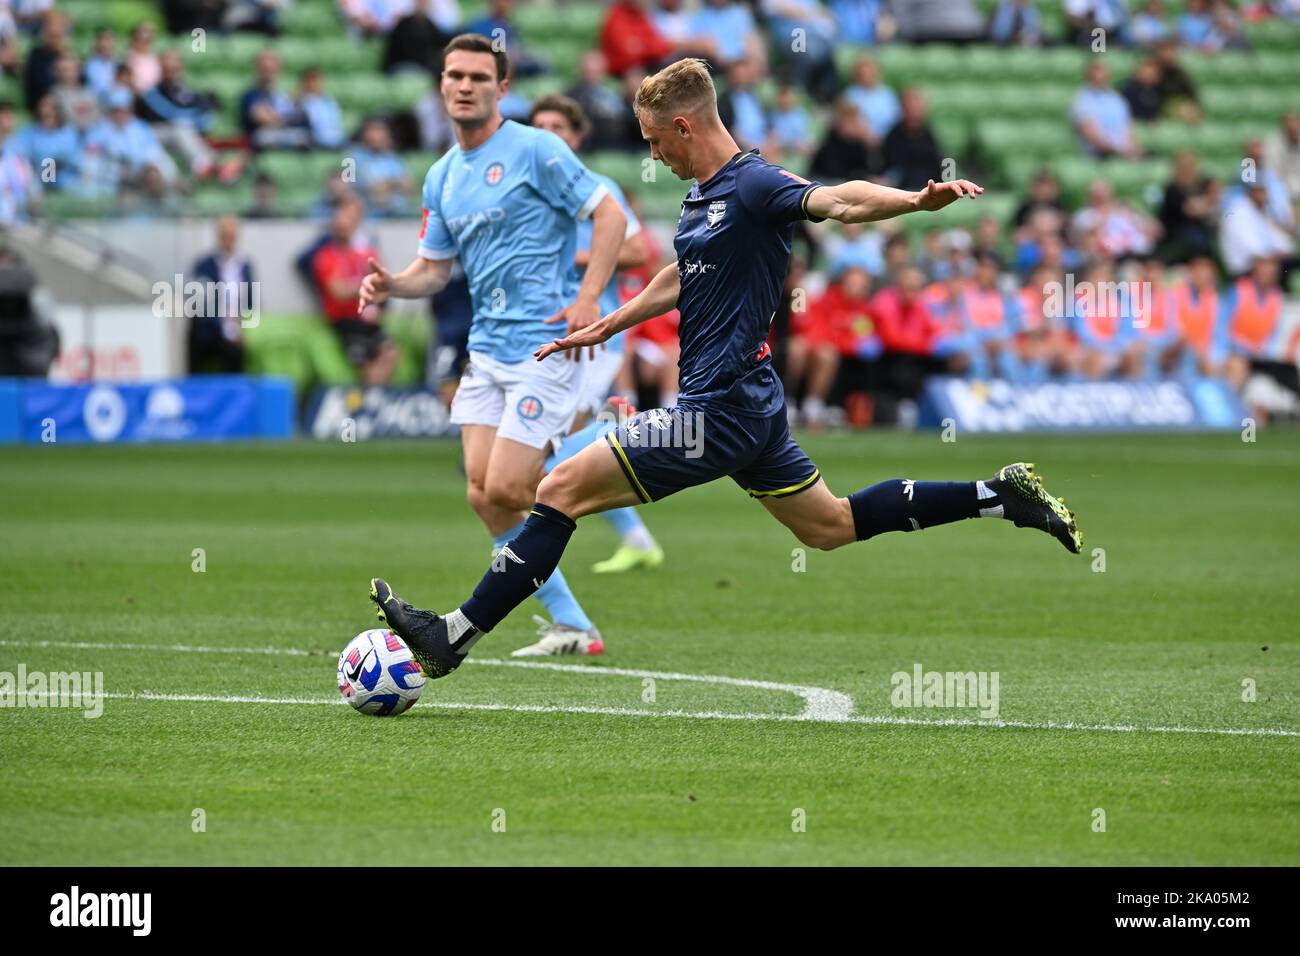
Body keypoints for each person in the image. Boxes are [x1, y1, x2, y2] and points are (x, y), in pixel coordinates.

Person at [365, 58, 1082, 681]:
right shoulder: (705, 198)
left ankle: (449, 639)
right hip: (749, 405)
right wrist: (608, 322)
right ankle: (999, 495)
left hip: (720, 408)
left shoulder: (754, 185)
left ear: (683, 127)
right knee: (828, 525)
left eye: (654, 142)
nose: (654, 157)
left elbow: (838, 199)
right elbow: (684, 275)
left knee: (558, 486)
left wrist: (915, 202)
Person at [357, 34, 628, 657]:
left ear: (502, 88)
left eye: (479, 76)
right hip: (486, 353)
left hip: (543, 348)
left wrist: (588, 298)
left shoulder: (537, 149)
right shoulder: (442, 177)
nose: (464, 85)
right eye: (454, 74)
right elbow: (433, 269)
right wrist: (394, 283)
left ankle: (599, 453)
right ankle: (574, 625)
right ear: (441, 85)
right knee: (484, 496)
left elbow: (609, 213)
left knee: (510, 489)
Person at [528, 94, 665, 586]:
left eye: (558, 126)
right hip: (549, 338)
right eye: (539, 125)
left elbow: (637, 250)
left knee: (554, 456)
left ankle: (629, 435)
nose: (548, 134)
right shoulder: (531, 191)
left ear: (577, 136)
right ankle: (636, 539)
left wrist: (573, 259)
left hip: (595, 338)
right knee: (551, 453)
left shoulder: (596, 189)